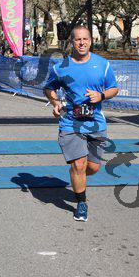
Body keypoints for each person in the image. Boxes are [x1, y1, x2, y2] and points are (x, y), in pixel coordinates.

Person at [43, 25, 119, 222]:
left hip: (95, 123)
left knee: (92, 167)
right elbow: (49, 88)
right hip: (71, 123)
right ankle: (81, 203)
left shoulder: (102, 64)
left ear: (91, 41)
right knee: (78, 164)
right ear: (72, 42)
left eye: (85, 39)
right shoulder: (61, 67)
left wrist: (101, 95)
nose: (82, 43)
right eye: (78, 39)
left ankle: (78, 175)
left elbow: (113, 88)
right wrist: (55, 102)